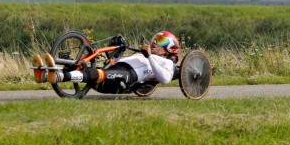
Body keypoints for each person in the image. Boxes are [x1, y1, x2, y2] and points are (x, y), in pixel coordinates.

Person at [32, 31, 180, 94]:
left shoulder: (166, 63)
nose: (154, 42)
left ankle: (59, 77)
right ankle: (46, 75)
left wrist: (149, 57)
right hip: (117, 70)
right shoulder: (142, 55)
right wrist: (115, 55)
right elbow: (116, 62)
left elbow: (165, 79)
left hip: (127, 77)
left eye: (160, 41)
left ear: (170, 48)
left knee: (99, 74)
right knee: (85, 67)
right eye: (155, 39)